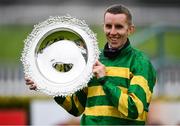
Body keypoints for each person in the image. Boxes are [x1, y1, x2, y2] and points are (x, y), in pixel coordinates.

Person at [25, 4, 156, 125]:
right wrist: (49, 85)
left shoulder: (141, 63)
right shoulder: (92, 60)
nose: (113, 32)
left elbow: (134, 109)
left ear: (130, 29)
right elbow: (76, 107)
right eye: (108, 26)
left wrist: (105, 81)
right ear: (103, 26)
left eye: (119, 26)